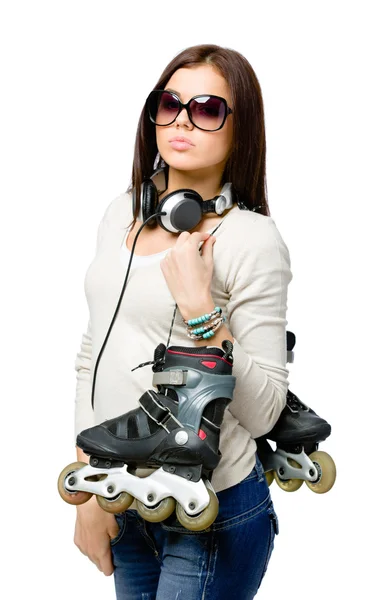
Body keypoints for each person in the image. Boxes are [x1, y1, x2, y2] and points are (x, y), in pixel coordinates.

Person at [72, 44, 293, 599]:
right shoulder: (120, 213)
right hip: (126, 498)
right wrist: (89, 490)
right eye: (168, 103)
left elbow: (265, 413)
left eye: (207, 109)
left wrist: (201, 312)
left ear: (240, 132)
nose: (181, 121)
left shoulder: (252, 240)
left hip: (211, 510)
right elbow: (93, 351)